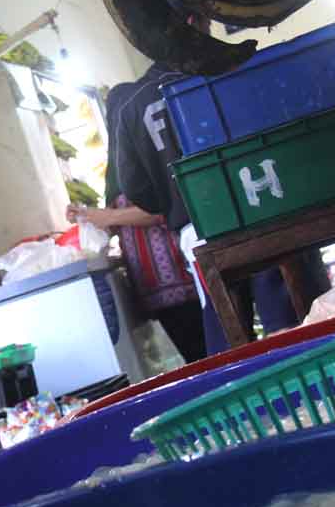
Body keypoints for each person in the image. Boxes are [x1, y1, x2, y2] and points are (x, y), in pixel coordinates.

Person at [74, 60, 297, 357]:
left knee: (224, 319)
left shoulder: (131, 107)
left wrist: (172, 205)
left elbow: (137, 188)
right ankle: (305, 378)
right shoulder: (213, 77)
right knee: (280, 312)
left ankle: (238, 386)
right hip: (253, 206)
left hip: (196, 227)